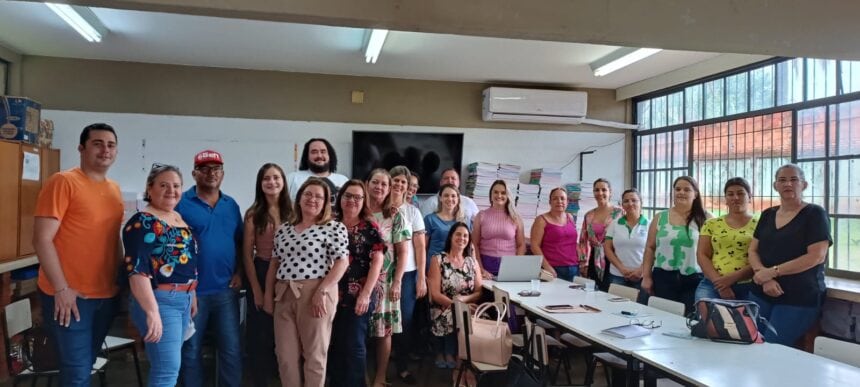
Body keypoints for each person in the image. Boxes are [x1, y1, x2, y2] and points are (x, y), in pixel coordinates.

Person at [33, 123, 123, 386]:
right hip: (71, 297)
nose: (105, 149)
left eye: (111, 144)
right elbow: (41, 239)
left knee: (85, 366)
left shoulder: (114, 190)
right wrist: (61, 289)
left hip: (105, 296)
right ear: (82, 148)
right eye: (98, 143)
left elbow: (112, 239)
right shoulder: (63, 182)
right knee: (76, 373)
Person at [262, 178, 349, 387]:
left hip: (316, 292)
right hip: (284, 292)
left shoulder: (334, 227)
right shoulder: (283, 229)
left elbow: (342, 262)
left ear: (326, 202)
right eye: (308, 194)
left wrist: (323, 290)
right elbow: (274, 264)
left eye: (319, 196)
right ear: (299, 198)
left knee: (315, 355)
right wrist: (267, 295)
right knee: (285, 356)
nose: (313, 199)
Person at [124, 164, 197, 387]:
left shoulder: (177, 218)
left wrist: (192, 295)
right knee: (166, 371)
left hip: (183, 300)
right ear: (150, 188)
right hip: (160, 302)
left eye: (176, 186)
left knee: (169, 368)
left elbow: (186, 262)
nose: (171, 190)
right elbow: (137, 270)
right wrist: (152, 311)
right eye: (163, 185)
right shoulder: (143, 222)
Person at [178, 150, 244, 387]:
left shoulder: (231, 205)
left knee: (231, 349)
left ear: (223, 174)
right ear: (194, 173)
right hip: (192, 293)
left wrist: (239, 272)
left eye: (216, 169)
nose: (211, 174)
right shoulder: (180, 203)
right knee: (191, 350)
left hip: (225, 291)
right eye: (204, 169)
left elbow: (240, 242)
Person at [748, 164, 831, 346]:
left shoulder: (815, 214)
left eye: (794, 180)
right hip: (761, 290)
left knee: (771, 347)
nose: (788, 184)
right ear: (775, 185)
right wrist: (764, 275)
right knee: (748, 341)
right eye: (782, 180)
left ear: (804, 185)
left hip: (798, 295)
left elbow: (816, 256)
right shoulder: (767, 214)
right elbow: (753, 250)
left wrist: (772, 272)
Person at [328, 180, 384, 387]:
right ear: (340, 198)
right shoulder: (330, 223)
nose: (352, 200)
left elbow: (377, 263)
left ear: (364, 201)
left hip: (359, 294)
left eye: (357, 197)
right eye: (348, 196)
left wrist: (366, 294)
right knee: (335, 344)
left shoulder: (370, 227)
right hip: (331, 293)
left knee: (354, 345)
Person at [241, 163, 292, 387]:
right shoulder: (254, 214)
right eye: (266, 179)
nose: (272, 182)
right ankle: (259, 378)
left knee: (284, 331)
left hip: (289, 274)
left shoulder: (294, 211)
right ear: (260, 184)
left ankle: (281, 374)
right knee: (260, 333)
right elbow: (246, 255)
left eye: (276, 178)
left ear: (283, 182)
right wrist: (257, 291)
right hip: (261, 271)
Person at [365, 168, 412, 387]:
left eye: (384, 184)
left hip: (385, 283)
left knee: (384, 332)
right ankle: (360, 376)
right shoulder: (358, 210)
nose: (380, 187)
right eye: (376, 182)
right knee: (358, 332)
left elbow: (403, 253)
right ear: (368, 184)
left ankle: (380, 377)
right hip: (358, 282)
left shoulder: (395, 215)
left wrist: (398, 282)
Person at [641, 176, 711, 314]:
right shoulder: (660, 217)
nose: (681, 192)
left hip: (694, 280)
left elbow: (712, 252)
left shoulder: (707, 218)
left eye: (687, 189)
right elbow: (650, 248)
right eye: (677, 189)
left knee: (688, 322)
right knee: (662, 318)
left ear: (695, 194)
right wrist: (646, 276)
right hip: (663, 278)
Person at [389, 166, 427, 385]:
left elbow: (420, 247)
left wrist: (421, 277)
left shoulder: (413, 212)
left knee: (404, 322)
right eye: (396, 180)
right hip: (382, 273)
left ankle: (402, 366)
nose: (400, 185)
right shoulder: (378, 208)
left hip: (409, 275)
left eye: (404, 182)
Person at [428, 223, 483, 368]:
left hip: (466, 305)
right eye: (458, 234)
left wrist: (464, 301)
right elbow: (435, 294)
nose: (462, 238)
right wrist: (458, 307)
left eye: (465, 235)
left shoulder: (472, 262)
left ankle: (462, 357)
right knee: (457, 315)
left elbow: (479, 291)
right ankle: (451, 354)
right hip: (443, 305)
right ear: (451, 237)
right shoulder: (438, 259)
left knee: (479, 317)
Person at [695, 177, 757, 302]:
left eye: (740, 193)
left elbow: (761, 258)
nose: (735, 197)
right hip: (713, 283)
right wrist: (721, 284)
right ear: (726, 200)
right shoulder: (711, 224)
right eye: (730, 194)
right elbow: (702, 255)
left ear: (750, 197)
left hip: (748, 284)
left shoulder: (761, 224)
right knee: (709, 314)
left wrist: (731, 279)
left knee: (743, 321)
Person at [472, 180, 526, 279]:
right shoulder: (481, 215)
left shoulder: (515, 217)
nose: (499, 195)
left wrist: (516, 266)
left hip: (509, 265)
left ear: (508, 195)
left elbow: (521, 245)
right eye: (495, 192)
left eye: (503, 193)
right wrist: (479, 268)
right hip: (485, 263)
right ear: (491, 195)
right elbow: (474, 244)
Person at [579, 178, 623, 290]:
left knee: (613, 292)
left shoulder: (620, 213)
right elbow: (583, 241)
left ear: (610, 192)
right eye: (597, 190)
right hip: (594, 259)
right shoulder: (588, 215)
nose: (600, 193)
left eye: (604, 190)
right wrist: (583, 263)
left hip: (615, 258)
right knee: (595, 293)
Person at [530, 187, 580, 281]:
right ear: (550, 202)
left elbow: (572, 241)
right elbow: (534, 246)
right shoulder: (541, 220)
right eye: (555, 198)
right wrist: (547, 266)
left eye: (562, 198)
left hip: (573, 267)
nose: (559, 201)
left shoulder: (570, 217)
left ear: (567, 201)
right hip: (553, 269)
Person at [604, 189, 649, 288]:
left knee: (639, 304)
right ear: (622, 204)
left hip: (641, 276)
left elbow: (654, 251)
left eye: (634, 200)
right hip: (617, 275)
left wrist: (640, 270)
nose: (630, 203)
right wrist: (622, 268)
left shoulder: (650, 225)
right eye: (626, 201)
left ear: (641, 203)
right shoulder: (614, 224)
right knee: (616, 303)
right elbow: (607, 248)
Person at [287, 138, 349, 203]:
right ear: (307, 157)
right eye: (314, 152)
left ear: (330, 156)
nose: (319, 156)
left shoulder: (343, 180)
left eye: (323, 152)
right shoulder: (292, 178)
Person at [424, 184, 471, 260]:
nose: (450, 199)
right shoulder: (430, 219)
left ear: (458, 199)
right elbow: (423, 247)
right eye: (446, 195)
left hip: (457, 265)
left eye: (453, 196)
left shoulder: (465, 220)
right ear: (440, 198)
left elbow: (470, 246)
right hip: (434, 265)